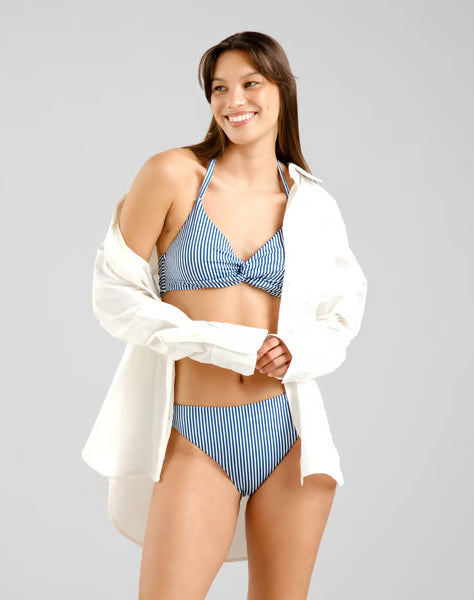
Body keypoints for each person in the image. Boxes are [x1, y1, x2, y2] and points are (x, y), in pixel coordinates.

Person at [84, 31, 368, 600]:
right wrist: (215, 343)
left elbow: (341, 315)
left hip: (288, 432)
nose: (234, 101)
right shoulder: (172, 174)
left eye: (250, 84)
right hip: (194, 429)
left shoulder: (311, 202)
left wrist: (298, 352)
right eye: (219, 89)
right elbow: (114, 294)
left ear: (282, 90)